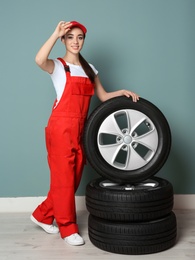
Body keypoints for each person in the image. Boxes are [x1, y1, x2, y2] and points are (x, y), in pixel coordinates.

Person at [30, 20, 139, 246]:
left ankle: (41, 214)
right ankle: (68, 229)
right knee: (64, 181)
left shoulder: (90, 69)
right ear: (63, 40)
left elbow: (103, 96)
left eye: (79, 37)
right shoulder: (58, 66)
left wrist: (122, 93)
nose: (75, 41)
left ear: (83, 41)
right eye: (70, 37)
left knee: (73, 179)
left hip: (82, 129)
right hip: (60, 129)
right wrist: (55, 32)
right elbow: (39, 60)